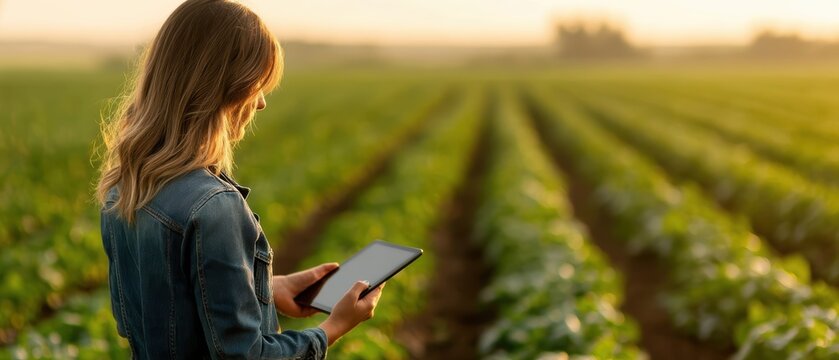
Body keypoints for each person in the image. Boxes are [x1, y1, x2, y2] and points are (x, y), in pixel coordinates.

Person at [95, 0, 384, 358]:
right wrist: (332, 328)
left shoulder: (123, 187)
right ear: (225, 87)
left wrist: (266, 289)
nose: (261, 103)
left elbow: (164, 302)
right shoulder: (213, 206)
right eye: (257, 85)